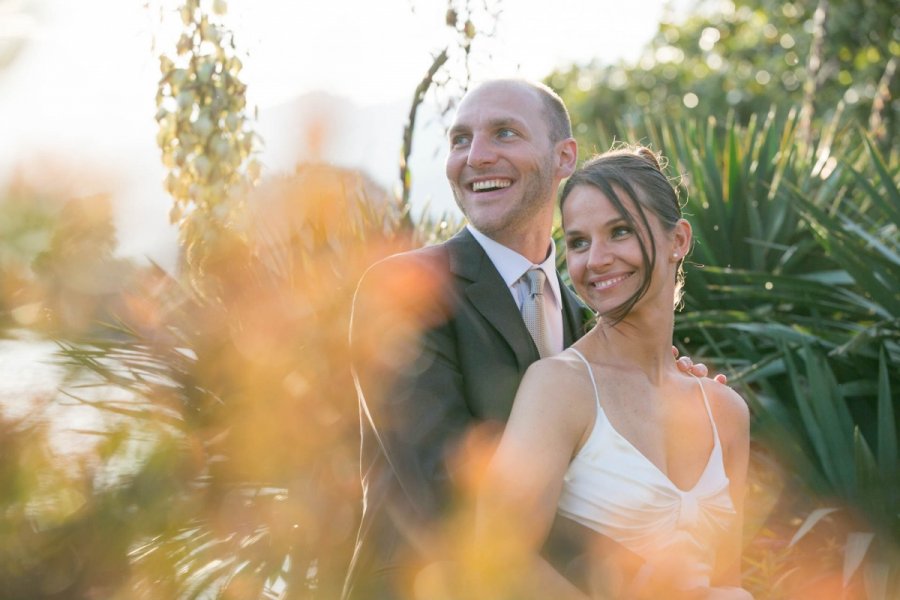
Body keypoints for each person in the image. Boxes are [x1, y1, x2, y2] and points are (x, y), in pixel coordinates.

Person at [343, 80, 717, 600]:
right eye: (459, 140)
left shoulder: (580, 314)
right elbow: (450, 491)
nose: (476, 156)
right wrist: (645, 579)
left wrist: (666, 389)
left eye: (504, 133)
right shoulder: (405, 290)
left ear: (564, 157)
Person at [478, 146, 751, 599]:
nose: (596, 259)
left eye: (619, 231)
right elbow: (495, 563)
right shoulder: (560, 388)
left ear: (678, 241)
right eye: (579, 242)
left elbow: (725, 581)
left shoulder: (726, 411)